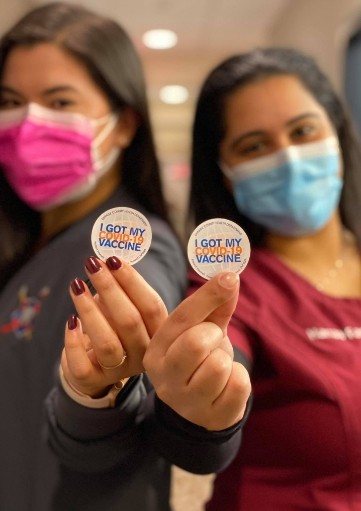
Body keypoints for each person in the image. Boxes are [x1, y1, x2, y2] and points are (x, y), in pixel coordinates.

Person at [46, 45, 361, 510]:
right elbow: (196, 439)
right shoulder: (226, 289)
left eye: (303, 130)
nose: (289, 158)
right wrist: (198, 412)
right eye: (253, 146)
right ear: (225, 172)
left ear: (337, 132)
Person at [0, 3, 186, 511]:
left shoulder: (128, 252)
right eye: (10, 100)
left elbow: (132, 419)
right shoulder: (27, 241)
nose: (28, 122)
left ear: (124, 124)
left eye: (59, 101)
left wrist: (103, 394)